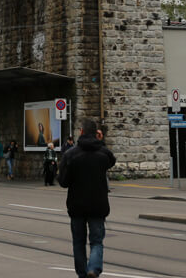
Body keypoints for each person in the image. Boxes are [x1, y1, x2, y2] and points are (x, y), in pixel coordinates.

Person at [58, 118, 115, 278]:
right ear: (96, 133)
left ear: (81, 132)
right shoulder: (103, 153)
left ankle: (83, 274)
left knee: (78, 242)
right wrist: (101, 142)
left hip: (77, 206)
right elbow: (112, 161)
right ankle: (94, 268)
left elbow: (63, 182)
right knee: (97, 241)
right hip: (98, 205)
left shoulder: (71, 154)